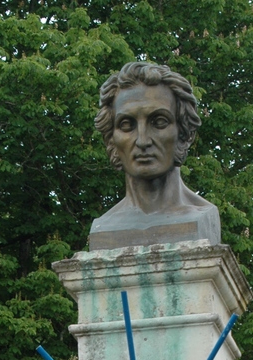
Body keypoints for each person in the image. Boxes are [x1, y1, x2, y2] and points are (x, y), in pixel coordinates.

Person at [89, 61, 221, 249]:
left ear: (184, 134)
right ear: (111, 140)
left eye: (159, 122)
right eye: (127, 125)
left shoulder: (203, 216)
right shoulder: (104, 225)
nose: (143, 141)